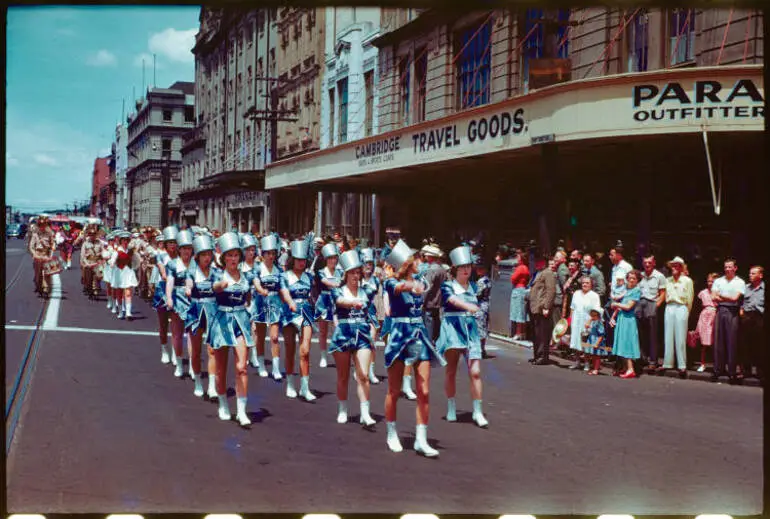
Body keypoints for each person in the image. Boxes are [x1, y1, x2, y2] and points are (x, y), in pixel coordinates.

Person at [382, 239, 446, 457]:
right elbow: (400, 287)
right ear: (406, 262)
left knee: (424, 391)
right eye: (417, 259)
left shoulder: (421, 278)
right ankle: (391, 433)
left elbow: (429, 286)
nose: (421, 262)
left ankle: (421, 439)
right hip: (400, 334)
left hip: (419, 334)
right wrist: (412, 285)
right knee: (394, 389)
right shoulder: (391, 283)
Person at [437, 246, 488, 428]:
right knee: (451, 370)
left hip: (471, 331)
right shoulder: (447, 286)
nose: (466, 270)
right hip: (452, 329)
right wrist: (468, 307)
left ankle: (477, 411)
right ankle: (451, 406)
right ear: (455, 269)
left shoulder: (475, 286)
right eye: (462, 267)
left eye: (468, 266)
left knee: (475, 372)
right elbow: (452, 300)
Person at [210, 232, 255, 427]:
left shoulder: (247, 277)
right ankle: (223, 404)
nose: (233, 259)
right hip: (222, 320)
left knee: (242, 367)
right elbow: (215, 287)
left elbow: (249, 300)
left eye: (236, 255)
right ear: (224, 258)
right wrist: (222, 285)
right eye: (229, 255)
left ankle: (242, 411)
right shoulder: (218, 275)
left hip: (241, 321)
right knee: (221, 368)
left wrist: (250, 319)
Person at [328, 250, 378, 426]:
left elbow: (372, 311)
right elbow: (340, 302)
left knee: (363, 375)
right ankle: (342, 409)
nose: (356, 276)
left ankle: (365, 413)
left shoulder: (367, 291)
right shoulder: (337, 291)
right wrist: (353, 303)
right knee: (343, 376)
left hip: (362, 334)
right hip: (343, 333)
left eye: (358, 272)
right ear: (346, 274)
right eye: (353, 272)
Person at [279, 237, 318, 401]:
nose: (302, 263)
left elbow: (314, 296)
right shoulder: (285, 276)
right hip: (289, 314)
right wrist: (290, 302)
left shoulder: (309, 277)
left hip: (306, 313)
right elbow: (284, 293)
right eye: (299, 260)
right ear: (292, 260)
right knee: (290, 350)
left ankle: (304, 387)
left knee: (305, 351)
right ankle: (289, 384)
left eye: (304, 260)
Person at [184, 234, 219, 398]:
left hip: (212, 310)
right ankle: (198, 382)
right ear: (197, 256)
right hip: (196, 311)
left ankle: (212, 386)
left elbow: (220, 286)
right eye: (203, 254)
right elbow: (189, 284)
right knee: (196, 351)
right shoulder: (191, 272)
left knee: (212, 350)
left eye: (209, 254)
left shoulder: (216, 272)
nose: (207, 257)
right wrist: (188, 289)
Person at [251, 234, 284, 380]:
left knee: (275, 337)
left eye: (273, 253)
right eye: (268, 253)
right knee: (260, 335)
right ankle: (262, 364)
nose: (271, 256)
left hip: (275, 304)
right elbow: (256, 283)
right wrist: (261, 290)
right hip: (260, 303)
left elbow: (283, 289)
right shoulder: (257, 269)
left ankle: (276, 368)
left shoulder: (279, 271)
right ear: (263, 254)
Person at [165, 229, 195, 378]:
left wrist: (190, 288)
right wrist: (169, 297)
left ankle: (191, 365)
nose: (186, 251)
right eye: (184, 248)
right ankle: (178, 362)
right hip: (177, 299)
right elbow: (169, 282)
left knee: (192, 334)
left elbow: (193, 280)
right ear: (179, 249)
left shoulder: (195, 264)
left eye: (189, 248)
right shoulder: (172, 264)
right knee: (177, 333)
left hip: (193, 300)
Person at [711, 258, 746, 383]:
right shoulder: (719, 281)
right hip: (720, 310)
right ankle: (717, 369)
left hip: (733, 312)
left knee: (732, 341)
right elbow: (713, 296)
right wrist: (725, 298)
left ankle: (732, 371)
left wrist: (722, 297)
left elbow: (735, 299)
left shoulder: (740, 282)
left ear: (735, 268)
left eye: (730, 267)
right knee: (718, 341)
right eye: (725, 267)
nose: (727, 269)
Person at [659, 257, 694, 377]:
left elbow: (690, 298)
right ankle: (667, 363)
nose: (674, 268)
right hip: (669, 306)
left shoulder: (687, 281)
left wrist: (686, 312)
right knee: (668, 335)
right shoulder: (668, 280)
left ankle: (682, 365)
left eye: (677, 265)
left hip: (681, 306)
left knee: (680, 337)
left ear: (681, 267)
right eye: (673, 265)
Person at [153, 227, 179, 365]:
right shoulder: (161, 256)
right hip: (162, 291)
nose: (173, 245)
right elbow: (162, 271)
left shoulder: (181, 258)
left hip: (177, 293)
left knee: (177, 325)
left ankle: (176, 352)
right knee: (163, 324)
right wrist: (167, 275)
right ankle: (164, 350)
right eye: (170, 242)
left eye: (175, 242)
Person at [315, 243, 343, 368]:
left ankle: (337, 354)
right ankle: (323, 356)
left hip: (336, 301)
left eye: (335, 258)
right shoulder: (322, 272)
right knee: (323, 330)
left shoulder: (340, 272)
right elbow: (325, 282)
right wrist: (338, 283)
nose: (333, 260)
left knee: (337, 329)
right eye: (331, 258)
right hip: (324, 300)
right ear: (326, 259)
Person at [610, 270, 642, 379]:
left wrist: (616, 304)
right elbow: (621, 306)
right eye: (630, 278)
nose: (631, 280)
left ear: (637, 280)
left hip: (628, 320)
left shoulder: (636, 290)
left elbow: (628, 306)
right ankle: (624, 367)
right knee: (621, 342)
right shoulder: (627, 290)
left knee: (627, 342)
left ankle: (630, 369)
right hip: (622, 318)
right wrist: (613, 317)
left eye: (634, 278)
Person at [568, 276, 601, 370]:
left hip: (587, 321)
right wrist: (570, 320)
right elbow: (572, 307)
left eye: (587, 283)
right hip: (576, 320)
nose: (585, 284)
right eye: (583, 283)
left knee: (585, 342)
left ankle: (587, 363)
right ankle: (577, 361)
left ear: (591, 285)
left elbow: (596, 310)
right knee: (575, 341)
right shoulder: (576, 293)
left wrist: (590, 321)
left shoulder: (594, 296)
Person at [360, 248, 382, 384]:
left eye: (370, 264)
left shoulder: (376, 280)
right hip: (358, 313)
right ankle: (361, 369)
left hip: (372, 312)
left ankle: (371, 371)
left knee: (372, 341)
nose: (368, 266)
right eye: (366, 264)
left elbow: (380, 298)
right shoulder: (356, 279)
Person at [740, 265, 764, 381]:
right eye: (750, 273)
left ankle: (761, 372)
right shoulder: (746, 288)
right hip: (747, 316)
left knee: (760, 345)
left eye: (753, 273)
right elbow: (741, 301)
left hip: (760, 317)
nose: (750, 275)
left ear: (760, 275)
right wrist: (741, 312)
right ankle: (746, 371)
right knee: (746, 344)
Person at [694, 273, 719, 372]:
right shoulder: (703, 292)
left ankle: (716, 364)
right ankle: (703, 363)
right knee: (704, 342)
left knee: (715, 341)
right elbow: (700, 305)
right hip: (705, 316)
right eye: (708, 281)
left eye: (712, 282)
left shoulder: (718, 292)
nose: (710, 283)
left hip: (715, 315)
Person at [113, 232, 140, 320]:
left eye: (127, 240)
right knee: (120, 294)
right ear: (120, 241)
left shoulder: (131, 251)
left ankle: (128, 313)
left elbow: (137, 260)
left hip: (128, 272)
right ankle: (121, 311)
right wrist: (112, 263)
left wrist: (135, 267)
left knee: (128, 293)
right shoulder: (117, 250)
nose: (125, 242)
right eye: (123, 240)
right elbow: (113, 259)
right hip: (119, 273)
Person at [29, 216, 57, 297]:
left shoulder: (49, 234)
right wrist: (34, 254)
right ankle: (38, 286)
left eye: (43, 225)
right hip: (38, 255)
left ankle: (45, 288)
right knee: (38, 275)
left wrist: (51, 255)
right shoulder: (35, 235)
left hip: (46, 255)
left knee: (46, 273)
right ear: (38, 225)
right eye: (40, 225)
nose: (42, 226)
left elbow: (52, 245)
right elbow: (31, 247)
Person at [509, 253, 530, 339]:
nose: (517, 259)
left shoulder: (520, 268)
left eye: (518, 257)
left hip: (518, 290)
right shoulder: (526, 268)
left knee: (518, 312)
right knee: (522, 312)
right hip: (523, 289)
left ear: (521, 259)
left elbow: (513, 278)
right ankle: (523, 333)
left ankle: (518, 333)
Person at [582, 305, 608, 375]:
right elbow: (587, 326)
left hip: (597, 340)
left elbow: (601, 334)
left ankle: (596, 369)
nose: (592, 316)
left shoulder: (599, 323)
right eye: (591, 315)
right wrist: (589, 320)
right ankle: (594, 368)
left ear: (599, 315)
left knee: (597, 356)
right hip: (591, 339)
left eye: (594, 315)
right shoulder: (593, 321)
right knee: (593, 355)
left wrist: (597, 343)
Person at [474, 260, 492, 359]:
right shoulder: (487, 280)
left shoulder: (482, 281)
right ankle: (482, 349)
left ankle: (480, 350)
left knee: (480, 327)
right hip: (486, 304)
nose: (477, 271)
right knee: (483, 326)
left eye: (479, 269)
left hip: (480, 305)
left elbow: (478, 294)